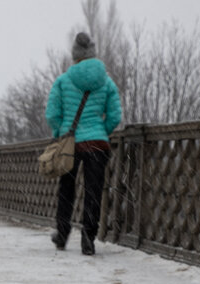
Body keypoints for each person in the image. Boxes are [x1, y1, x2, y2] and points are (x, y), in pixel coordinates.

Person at [45, 32, 122, 255]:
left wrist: (61, 132)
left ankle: (62, 234)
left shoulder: (63, 81)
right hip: (97, 144)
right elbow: (115, 115)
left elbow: (52, 113)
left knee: (67, 189)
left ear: (75, 56)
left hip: (71, 144)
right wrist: (101, 132)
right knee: (93, 191)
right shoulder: (106, 81)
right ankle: (88, 238)